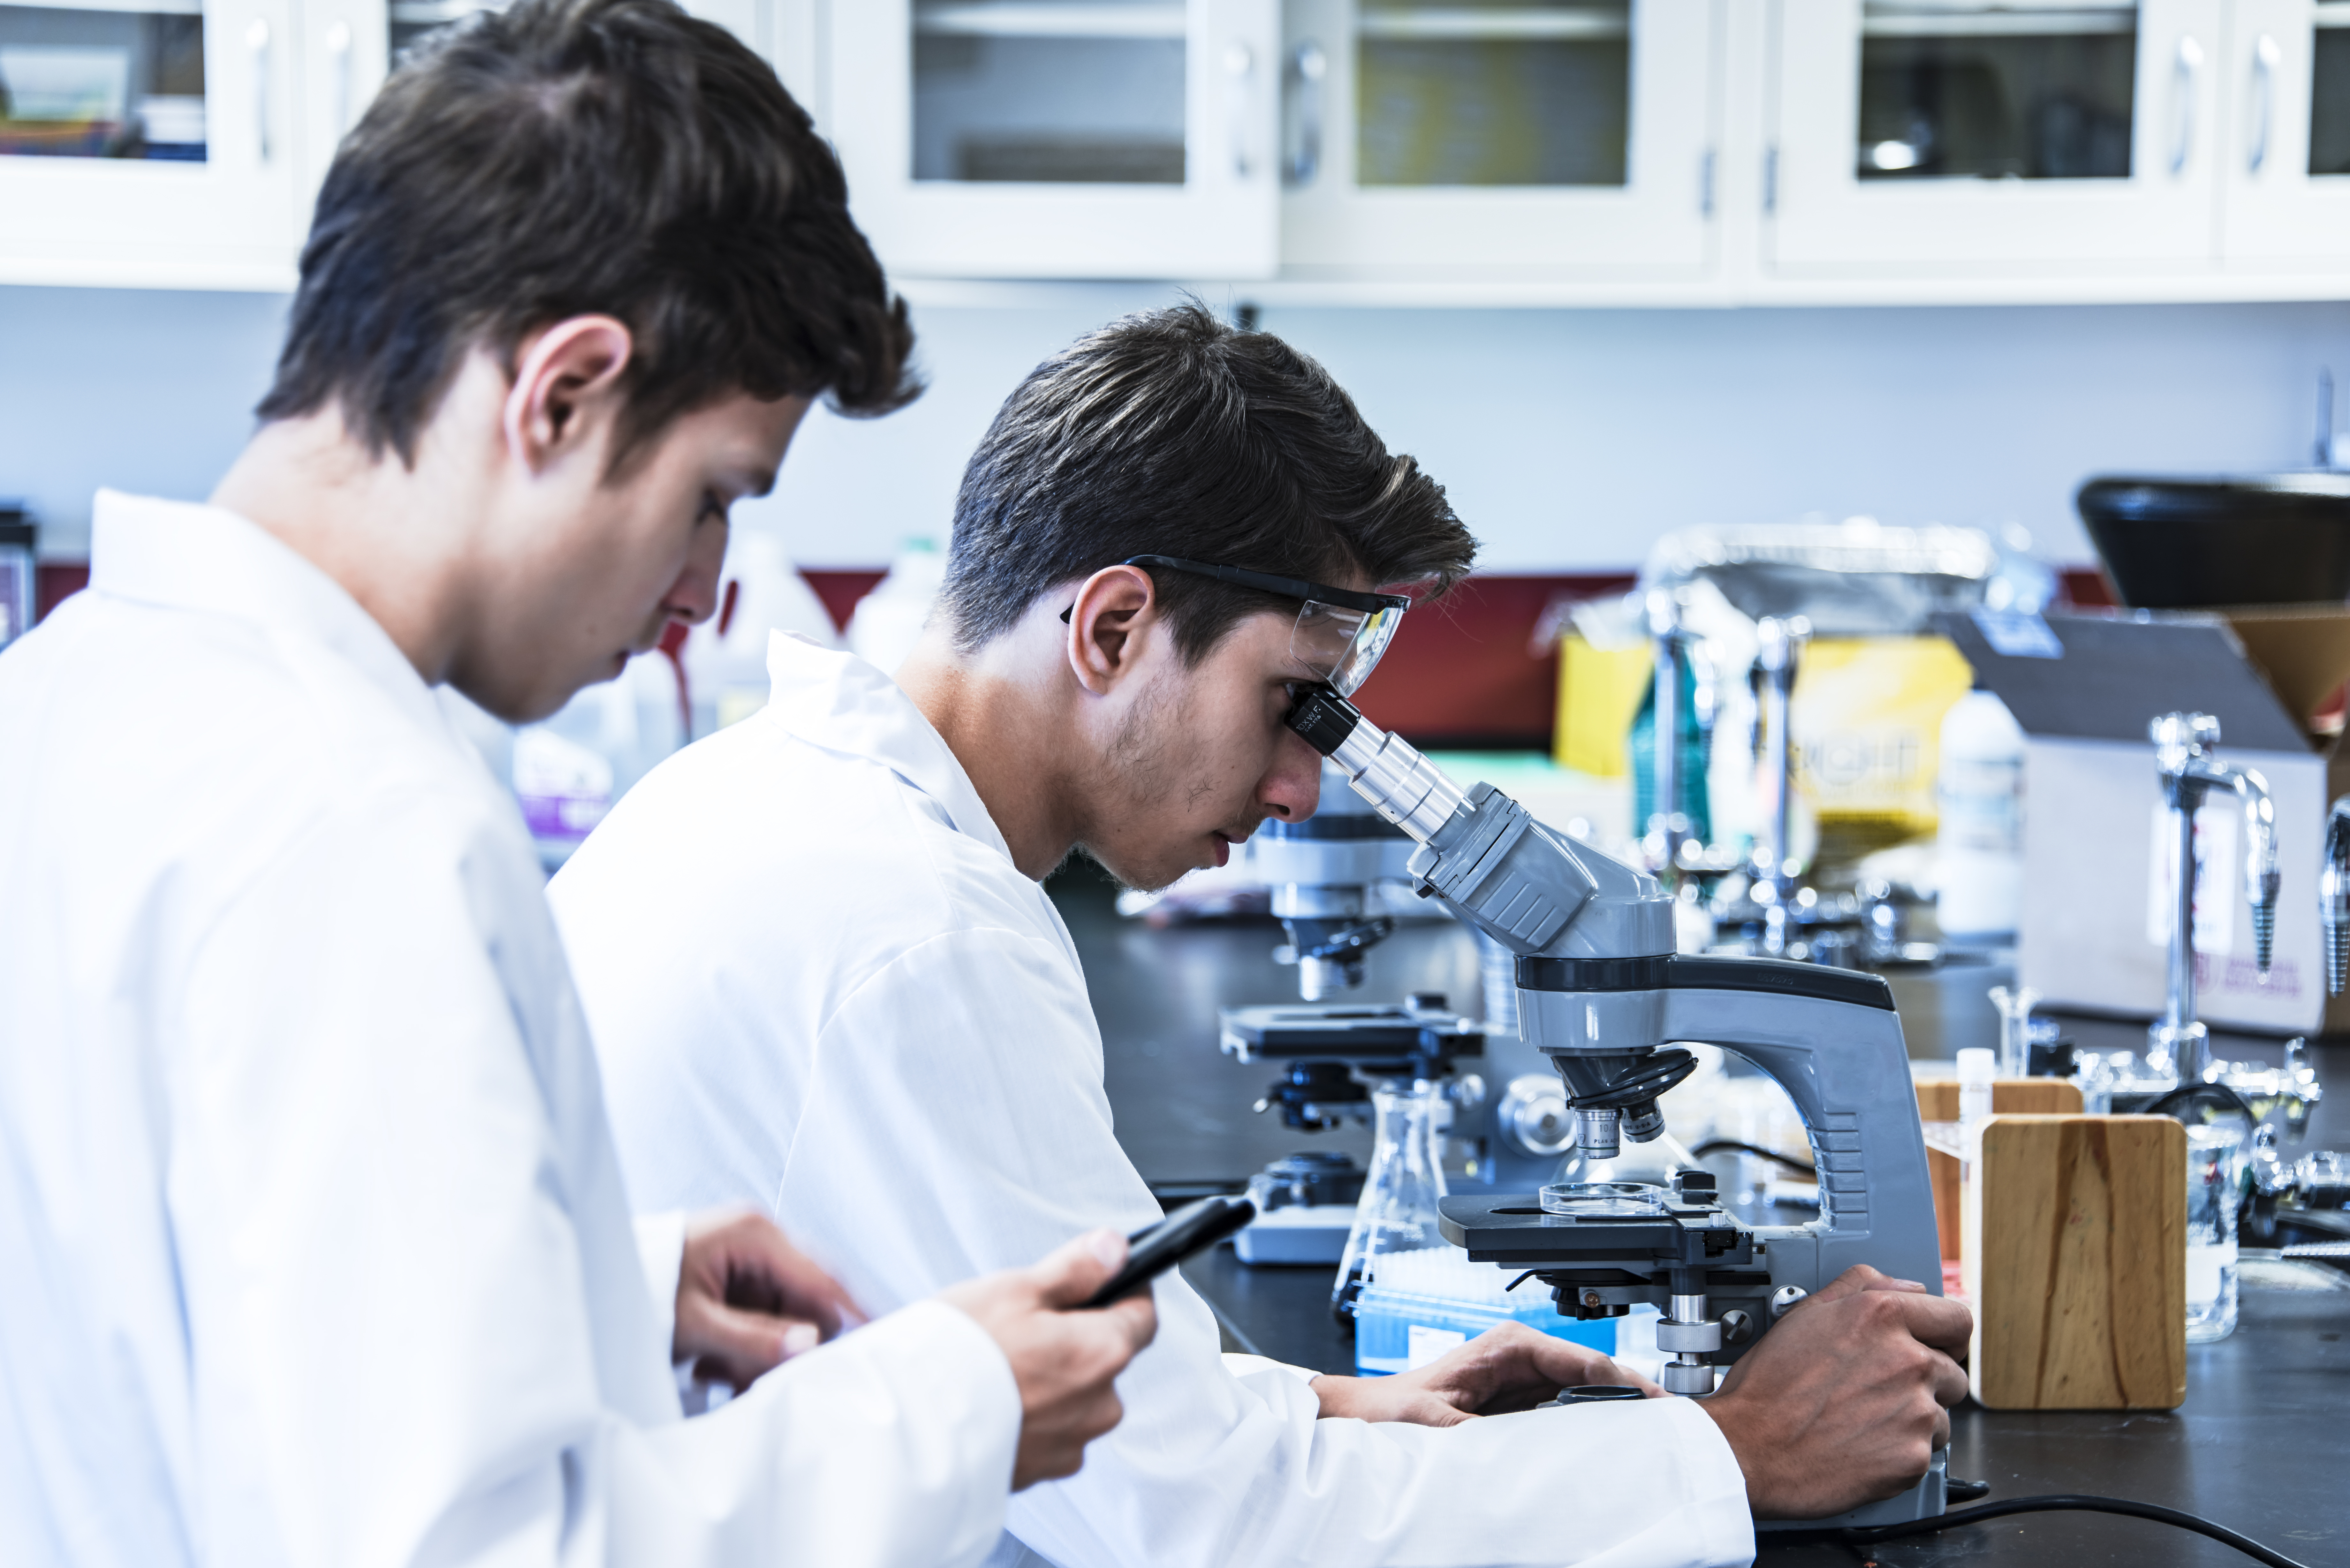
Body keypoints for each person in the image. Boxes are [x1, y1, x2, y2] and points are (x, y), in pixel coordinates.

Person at [548, 304, 1975, 1568]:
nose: (1301, 789)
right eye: (1293, 702)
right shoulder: (917, 936)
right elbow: (1216, 1531)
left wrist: (1319, 1403)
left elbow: (977, 1362)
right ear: (1111, 627)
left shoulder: (772, 806)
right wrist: (1735, 1453)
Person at [0, 4, 1156, 1564]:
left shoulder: (74, 691)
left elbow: (145, 1298)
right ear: (560, 394)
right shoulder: (359, 824)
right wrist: (953, 1407)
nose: (701, 594)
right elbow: (474, 1550)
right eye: (709, 501)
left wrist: (593, 1282)